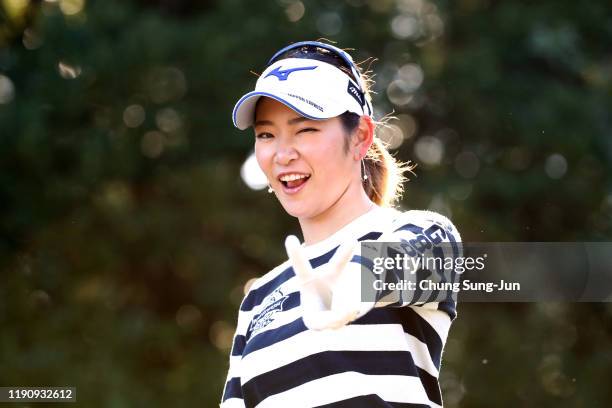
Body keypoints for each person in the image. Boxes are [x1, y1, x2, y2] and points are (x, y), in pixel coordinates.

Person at [221, 41, 462, 408]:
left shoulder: (409, 235)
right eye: (266, 134)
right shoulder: (258, 299)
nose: (282, 154)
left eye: (305, 130)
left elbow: (435, 248)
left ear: (361, 137)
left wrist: (357, 282)